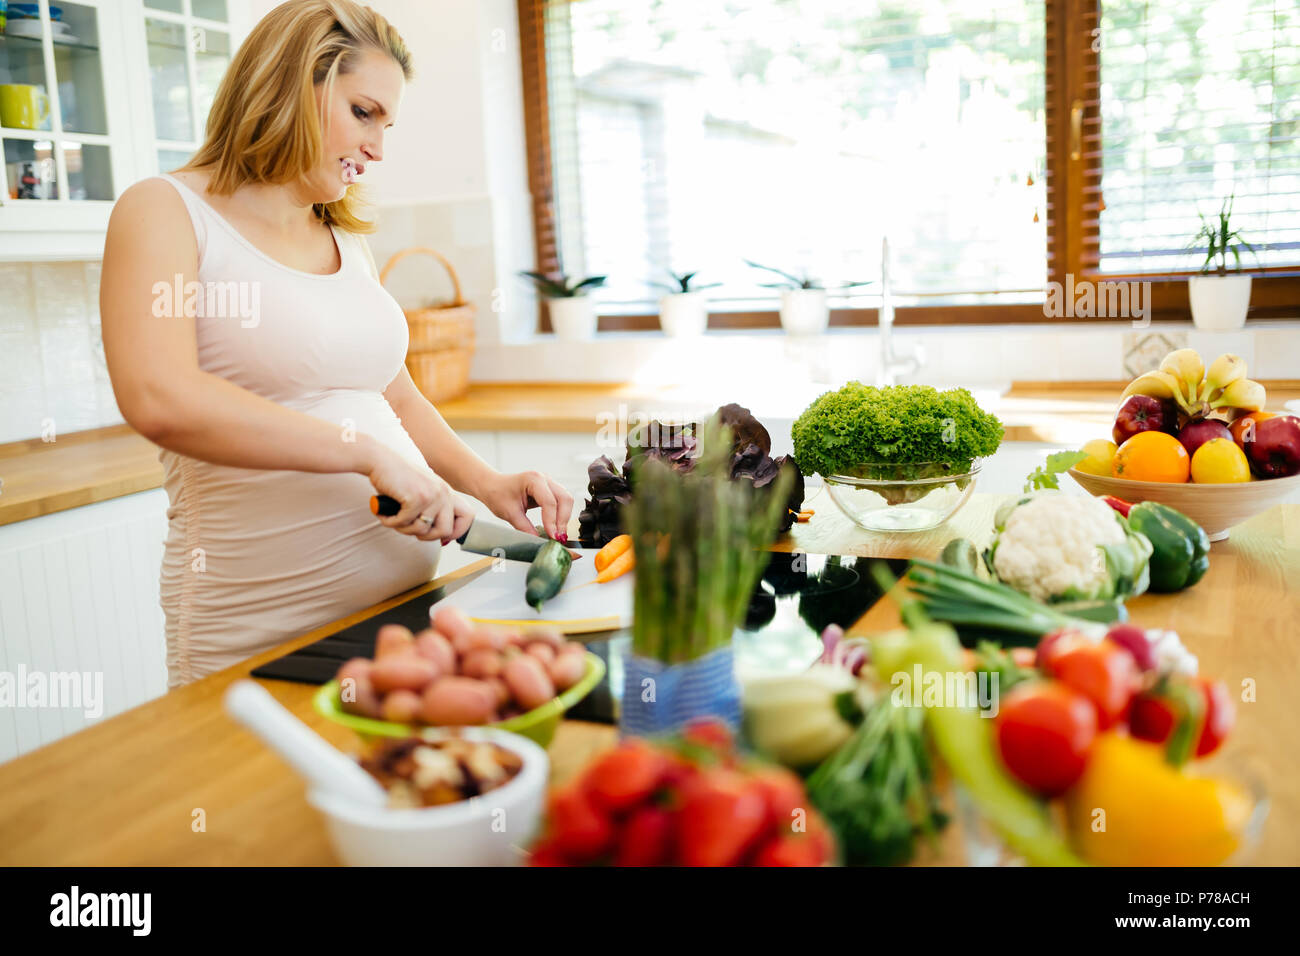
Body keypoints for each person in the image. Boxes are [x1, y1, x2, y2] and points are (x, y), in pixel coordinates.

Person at [100, 0, 573, 687]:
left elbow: (395, 392)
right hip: (260, 632)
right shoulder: (165, 211)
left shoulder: (342, 233)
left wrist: (484, 481)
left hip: (398, 620)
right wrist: (367, 457)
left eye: (387, 124)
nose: (378, 148)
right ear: (294, 84)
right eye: (363, 113)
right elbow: (158, 397)